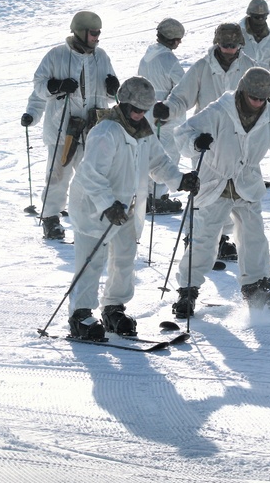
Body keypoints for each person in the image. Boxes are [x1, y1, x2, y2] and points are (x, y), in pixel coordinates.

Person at [66, 77, 198, 340]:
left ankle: (113, 307)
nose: (139, 114)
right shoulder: (106, 131)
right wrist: (107, 204)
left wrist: (179, 179)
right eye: (135, 109)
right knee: (91, 260)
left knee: (125, 258)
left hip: (125, 206)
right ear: (123, 104)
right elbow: (91, 174)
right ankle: (80, 314)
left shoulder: (143, 132)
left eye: (143, 110)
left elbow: (158, 162)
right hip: (94, 206)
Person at [170, 68, 270, 316]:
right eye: (253, 96)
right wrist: (196, 142)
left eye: (262, 98)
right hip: (215, 183)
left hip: (247, 184)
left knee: (254, 239)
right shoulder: (218, 110)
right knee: (204, 240)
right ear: (244, 90)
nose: (257, 102)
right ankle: (187, 292)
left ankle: (255, 288)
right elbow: (182, 134)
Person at [153, 22, 258, 261]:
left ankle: (220, 240)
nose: (229, 49)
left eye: (233, 45)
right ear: (216, 44)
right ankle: (194, 239)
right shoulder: (202, 68)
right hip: (206, 142)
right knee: (202, 193)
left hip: (240, 142)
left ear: (240, 44)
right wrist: (167, 109)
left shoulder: (249, 68)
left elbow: (262, 98)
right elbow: (181, 97)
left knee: (232, 194)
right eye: (224, 45)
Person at [22, 10, 118, 240]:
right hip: (62, 128)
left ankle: (95, 216)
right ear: (80, 32)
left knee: (93, 174)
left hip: (92, 128)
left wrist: (115, 88)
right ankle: (51, 218)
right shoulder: (56, 55)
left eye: (99, 33)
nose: (97, 37)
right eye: (93, 33)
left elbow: (113, 93)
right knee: (58, 174)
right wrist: (56, 87)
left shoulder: (101, 56)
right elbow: (39, 85)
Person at [138, 17, 187, 214]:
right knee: (167, 153)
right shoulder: (169, 59)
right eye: (178, 38)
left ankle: (148, 195)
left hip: (147, 109)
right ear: (173, 39)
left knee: (151, 151)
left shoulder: (148, 54)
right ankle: (158, 197)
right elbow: (183, 86)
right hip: (165, 113)